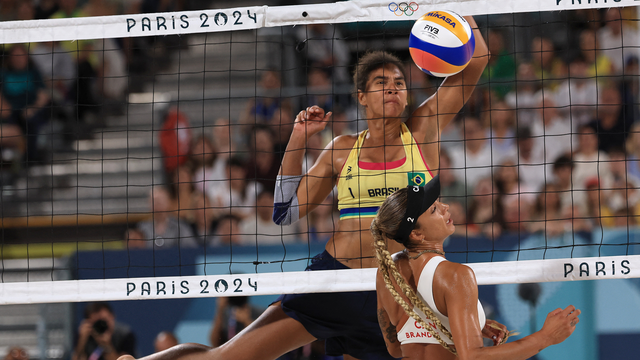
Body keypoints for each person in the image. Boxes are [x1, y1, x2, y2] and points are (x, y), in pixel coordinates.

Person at [119, 15, 488, 360]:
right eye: (381, 84)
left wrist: (455, 13)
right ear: (361, 96)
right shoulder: (342, 149)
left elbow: (479, 58)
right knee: (229, 356)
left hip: (399, 291)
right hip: (334, 283)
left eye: (399, 83)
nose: (392, 89)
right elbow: (284, 212)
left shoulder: (424, 131)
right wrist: (297, 138)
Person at [371, 177, 580, 359]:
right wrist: (546, 337)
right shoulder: (456, 275)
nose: (446, 207)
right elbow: (473, 357)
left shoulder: (386, 272)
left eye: (438, 202)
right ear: (416, 234)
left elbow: (396, 348)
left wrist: (463, 324)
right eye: (434, 209)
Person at [72, 302, 137, 360]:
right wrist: (81, 342)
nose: (101, 326)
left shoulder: (124, 334)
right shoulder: (85, 336)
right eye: (97, 323)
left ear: (112, 316)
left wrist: (107, 347)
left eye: (104, 321)